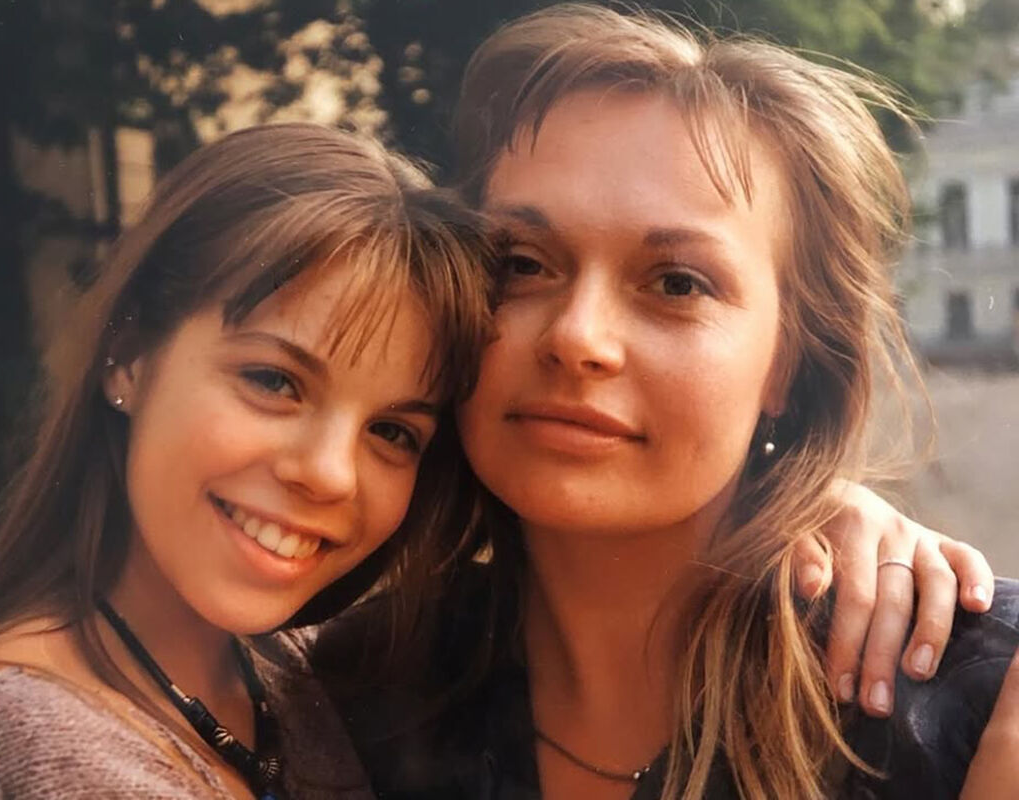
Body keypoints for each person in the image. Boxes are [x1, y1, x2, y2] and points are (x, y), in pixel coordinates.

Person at [312, 6, 1019, 800]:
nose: (578, 336)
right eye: (521, 264)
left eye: (677, 283)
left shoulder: (970, 703)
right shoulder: (354, 699)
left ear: (789, 364)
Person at [0, 122, 497, 800]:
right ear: (129, 356)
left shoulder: (287, 677)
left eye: (391, 431)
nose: (330, 473)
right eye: (274, 381)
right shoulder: (26, 755)